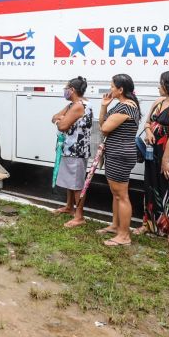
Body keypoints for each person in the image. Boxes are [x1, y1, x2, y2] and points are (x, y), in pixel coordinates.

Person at [135, 71, 169, 246]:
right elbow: (147, 123)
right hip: (153, 153)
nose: (159, 86)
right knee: (151, 187)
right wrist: (149, 132)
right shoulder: (158, 102)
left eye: (161, 83)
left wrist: (166, 161)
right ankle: (149, 224)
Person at [97, 74, 140, 247]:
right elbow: (102, 124)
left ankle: (124, 236)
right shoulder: (122, 105)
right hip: (117, 152)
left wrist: (105, 116)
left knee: (122, 195)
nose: (110, 89)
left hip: (120, 154)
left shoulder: (125, 107)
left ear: (121, 89)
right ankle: (116, 226)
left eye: (112, 86)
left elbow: (104, 128)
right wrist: (104, 106)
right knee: (116, 194)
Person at [51, 77, 92, 227]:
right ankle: (69, 207)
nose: (65, 91)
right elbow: (54, 117)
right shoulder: (73, 105)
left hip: (77, 150)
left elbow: (62, 126)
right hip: (70, 149)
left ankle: (79, 216)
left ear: (72, 90)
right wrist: (60, 119)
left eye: (66, 88)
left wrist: (60, 120)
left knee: (77, 184)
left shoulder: (78, 106)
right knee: (70, 181)